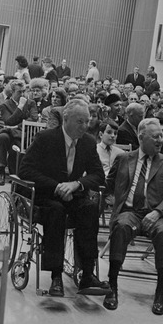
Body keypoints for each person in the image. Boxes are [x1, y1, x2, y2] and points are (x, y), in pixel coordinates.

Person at [19, 100, 109, 298]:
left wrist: (77, 184)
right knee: (56, 211)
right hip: (46, 195)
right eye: (80, 122)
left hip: (74, 194)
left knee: (90, 208)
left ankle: (87, 273)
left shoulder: (87, 142)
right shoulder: (45, 138)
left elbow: (98, 175)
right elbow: (24, 169)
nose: (85, 126)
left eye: (87, 121)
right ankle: (56, 276)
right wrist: (56, 186)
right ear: (65, 119)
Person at [103, 118, 163, 315]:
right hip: (130, 212)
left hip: (158, 214)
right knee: (121, 227)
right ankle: (112, 286)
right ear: (141, 137)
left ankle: (160, 291)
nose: (160, 140)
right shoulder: (123, 159)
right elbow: (108, 184)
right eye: (155, 136)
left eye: (162, 136)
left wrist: (157, 212)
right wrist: (110, 200)